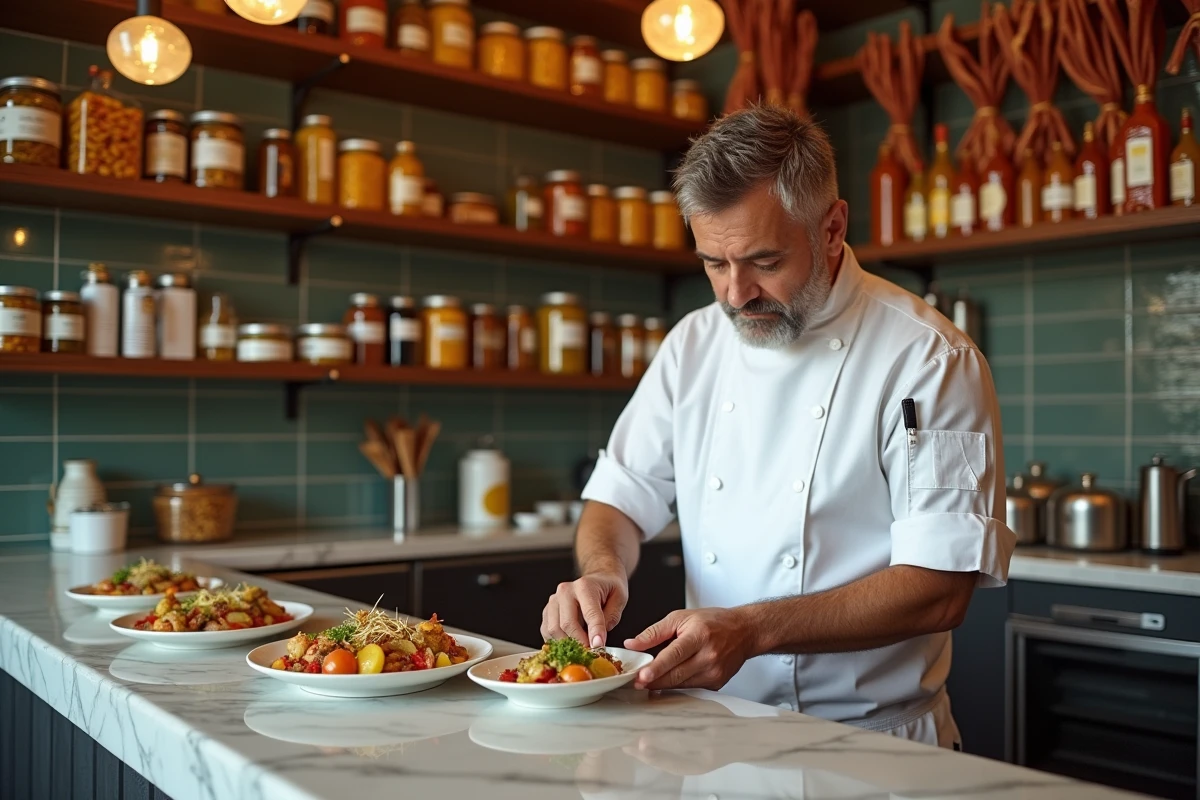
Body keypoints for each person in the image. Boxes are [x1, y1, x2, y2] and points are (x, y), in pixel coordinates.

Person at [541, 105, 1015, 748]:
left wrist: (754, 630)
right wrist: (604, 571)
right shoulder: (693, 344)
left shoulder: (929, 359)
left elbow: (940, 590)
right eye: (713, 263)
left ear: (832, 228)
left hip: (874, 749)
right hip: (714, 737)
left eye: (764, 260)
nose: (736, 294)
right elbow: (620, 496)